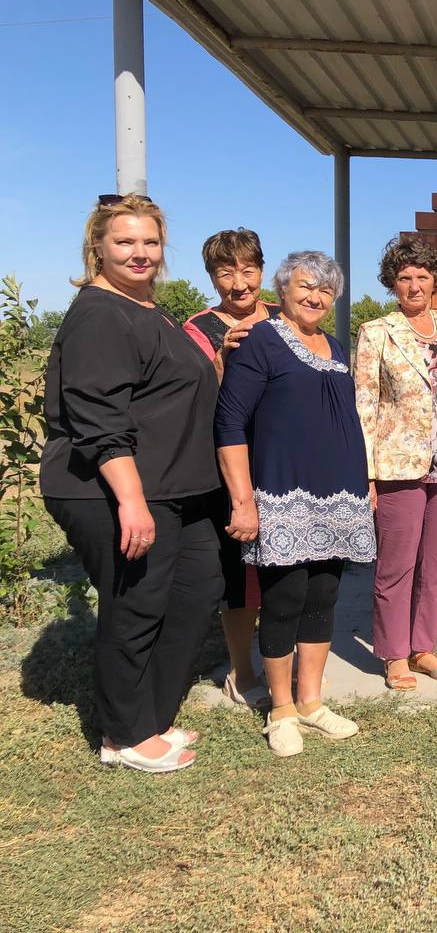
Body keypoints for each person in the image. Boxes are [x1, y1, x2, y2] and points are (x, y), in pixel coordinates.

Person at [40, 194, 223, 773]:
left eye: (150, 242)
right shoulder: (100, 312)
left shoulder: (149, 309)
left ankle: (151, 716)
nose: (140, 252)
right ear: (98, 245)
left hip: (178, 488)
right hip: (114, 488)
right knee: (137, 605)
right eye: (125, 241)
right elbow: (97, 416)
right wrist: (132, 501)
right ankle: (123, 735)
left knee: (197, 592)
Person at [215, 251, 375, 757]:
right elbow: (230, 423)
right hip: (283, 495)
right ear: (283, 289)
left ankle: (311, 702)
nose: (316, 297)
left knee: (323, 597)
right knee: (283, 601)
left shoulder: (335, 346)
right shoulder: (259, 341)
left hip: (340, 495)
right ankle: (280, 709)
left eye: (326, 290)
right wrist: (243, 502)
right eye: (306, 286)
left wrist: (363, 478)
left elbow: (346, 418)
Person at [354, 237, 437, 690]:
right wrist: (366, 473)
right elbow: (365, 405)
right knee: (396, 564)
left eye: (421, 277)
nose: (413, 286)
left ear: (435, 282)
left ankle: (423, 647)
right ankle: (394, 654)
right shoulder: (377, 332)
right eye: (404, 278)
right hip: (398, 466)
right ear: (392, 284)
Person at [183, 228, 281, 710]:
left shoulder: (286, 317)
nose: (239, 283)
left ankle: (284, 662)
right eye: (226, 272)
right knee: (240, 572)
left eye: (248, 270)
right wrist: (221, 359)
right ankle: (243, 672)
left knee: (287, 567)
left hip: (286, 462)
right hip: (234, 466)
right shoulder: (199, 328)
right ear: (212, 277)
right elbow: (197, 399)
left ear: (262, 269)